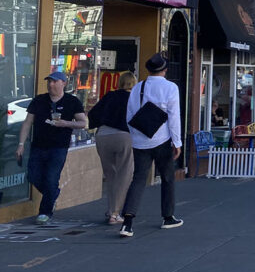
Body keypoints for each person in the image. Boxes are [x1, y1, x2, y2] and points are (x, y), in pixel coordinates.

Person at [119, 53, 182, 238]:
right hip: (162, 139)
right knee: (168, 178)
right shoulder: (170, 87)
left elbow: (130, 115)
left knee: (138, 179)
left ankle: (127, 222)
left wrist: (137, 136)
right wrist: (177, 142)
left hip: (140, 141)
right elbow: (174, 116)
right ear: (165, 69)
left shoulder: (139, 86)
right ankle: (168, 217)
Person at [15, 71, 88, 224]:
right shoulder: (39, 100)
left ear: (63, 83)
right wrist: (21, 144)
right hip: (38, 145)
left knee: (51, 178)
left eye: (54, 82)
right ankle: (52, 194)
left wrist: (66, 123)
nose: (51, 84)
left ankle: (45, 212)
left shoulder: (72, 101)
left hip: (59, 147)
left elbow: (83, 122)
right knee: (33, 176)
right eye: (49, 81)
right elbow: (28, 122)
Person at [88, 72, 137, 225]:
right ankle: (115, 213)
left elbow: (93, 113)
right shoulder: (135, 99)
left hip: (103, 135)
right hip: (124, 136)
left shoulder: (110, 96)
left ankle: (111, 210)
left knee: (111, 176)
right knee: (124, 176)